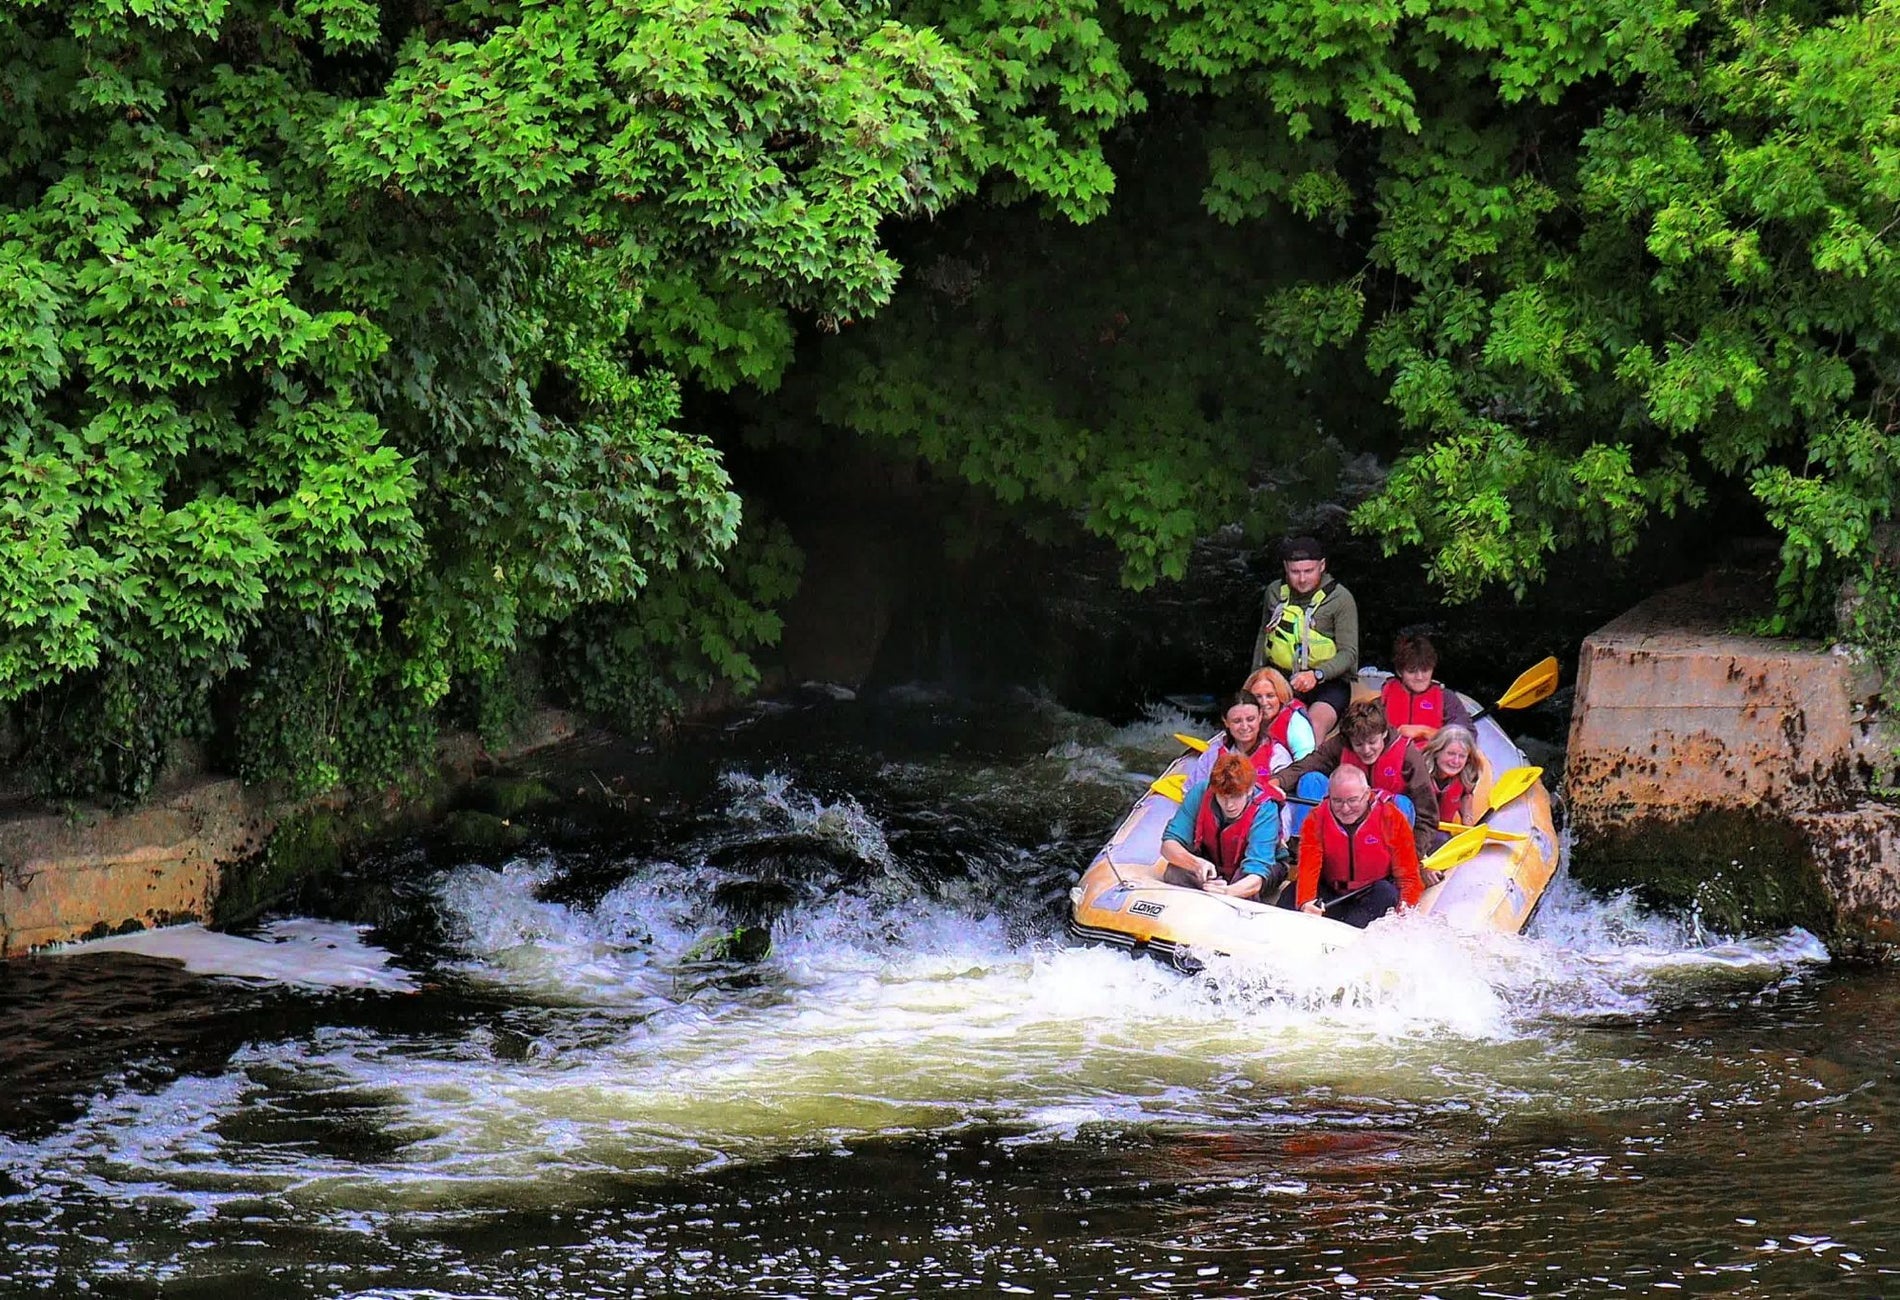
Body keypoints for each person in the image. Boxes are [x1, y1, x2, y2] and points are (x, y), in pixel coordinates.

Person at [1275, 698, 1439, 856]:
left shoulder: (1408, 755)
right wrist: (1276, 783)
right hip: (1344, 818)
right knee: (1312, 780)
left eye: (1372, 742)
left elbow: (1427, 815)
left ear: (1383, 733)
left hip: (1384, 826)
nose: (1367, 750)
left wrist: (1414, 854)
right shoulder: (1340, 743)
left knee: (1402, 803)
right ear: (1350, 739)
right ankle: (1303, 849)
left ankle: (1391, 859)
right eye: (1359, 744)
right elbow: (1306, 765)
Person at [1253, 536, 1358, 743]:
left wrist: (1317, 675)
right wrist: (1253, 682)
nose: (1301, 579)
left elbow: (1349, 653)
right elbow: (1263, 637)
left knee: (1312, 728)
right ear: (1285, 567)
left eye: (1308, 571)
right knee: (1262, 725)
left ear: (1322, 566)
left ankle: (1304, 771)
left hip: (1328, 682)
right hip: (1282, 679)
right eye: (1295, 572)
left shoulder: (1341, 599)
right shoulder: (1274, 592)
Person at [1291, 766, 1422, 928]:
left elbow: (1409, 876)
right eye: (1337, 801)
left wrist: (1405, 909)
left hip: (1372, 894)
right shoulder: (1316, 819)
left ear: (1367, 794)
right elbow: (1308, 867)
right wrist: (1306, 903)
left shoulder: (1391, 818)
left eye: (1352, 800)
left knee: (1386, 893)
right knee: (1290, 896)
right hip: (1331, 892)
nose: (1345, 809)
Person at [1161, 750, 1287, 901]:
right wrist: (1196, 864)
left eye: (1236, 797)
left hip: (1258, 869)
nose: (1229, 805)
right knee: (1175, 871)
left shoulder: (1265, 809)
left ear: (1249, 790)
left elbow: (1257, 873)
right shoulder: (1200, 792)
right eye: (1222, 796)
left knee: (1246, 889)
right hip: (1213, 861)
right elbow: (1168, 845)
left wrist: (1228, 891)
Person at [1381, 631, 1473, 746]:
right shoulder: (1384, 694)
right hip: (1391, 760)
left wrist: (1424, 731)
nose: (1419, 677)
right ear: (1400, 672)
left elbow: (1466, 737)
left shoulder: (1447, 698)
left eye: (1425, 670)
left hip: (1430, 760)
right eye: (1411, 671)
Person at [1185, 692, 1291, 789]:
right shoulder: (1213, 753)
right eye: (1237, 721)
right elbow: (1192, 791)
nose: (1244, 727)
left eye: (1250, 719)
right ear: (1225, 722)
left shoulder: (1277, 754)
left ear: (1260, 716)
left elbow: (1285, 803)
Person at [1243, 667, 1316, 763]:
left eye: (1270, 696)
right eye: (1257, 697)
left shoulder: (1295, 722)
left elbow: (1306, 764)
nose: (1264, 702)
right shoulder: (1241, 719)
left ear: (1281, 696)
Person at [1423, 723, 1484, 836]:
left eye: (1462, 756)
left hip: (1441, 832)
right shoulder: (1416, 769)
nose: (1456, 761)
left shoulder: (1468, 774)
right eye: (1451, 753)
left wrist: (1467, 821)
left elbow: (1466, 794)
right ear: (1436, 752)